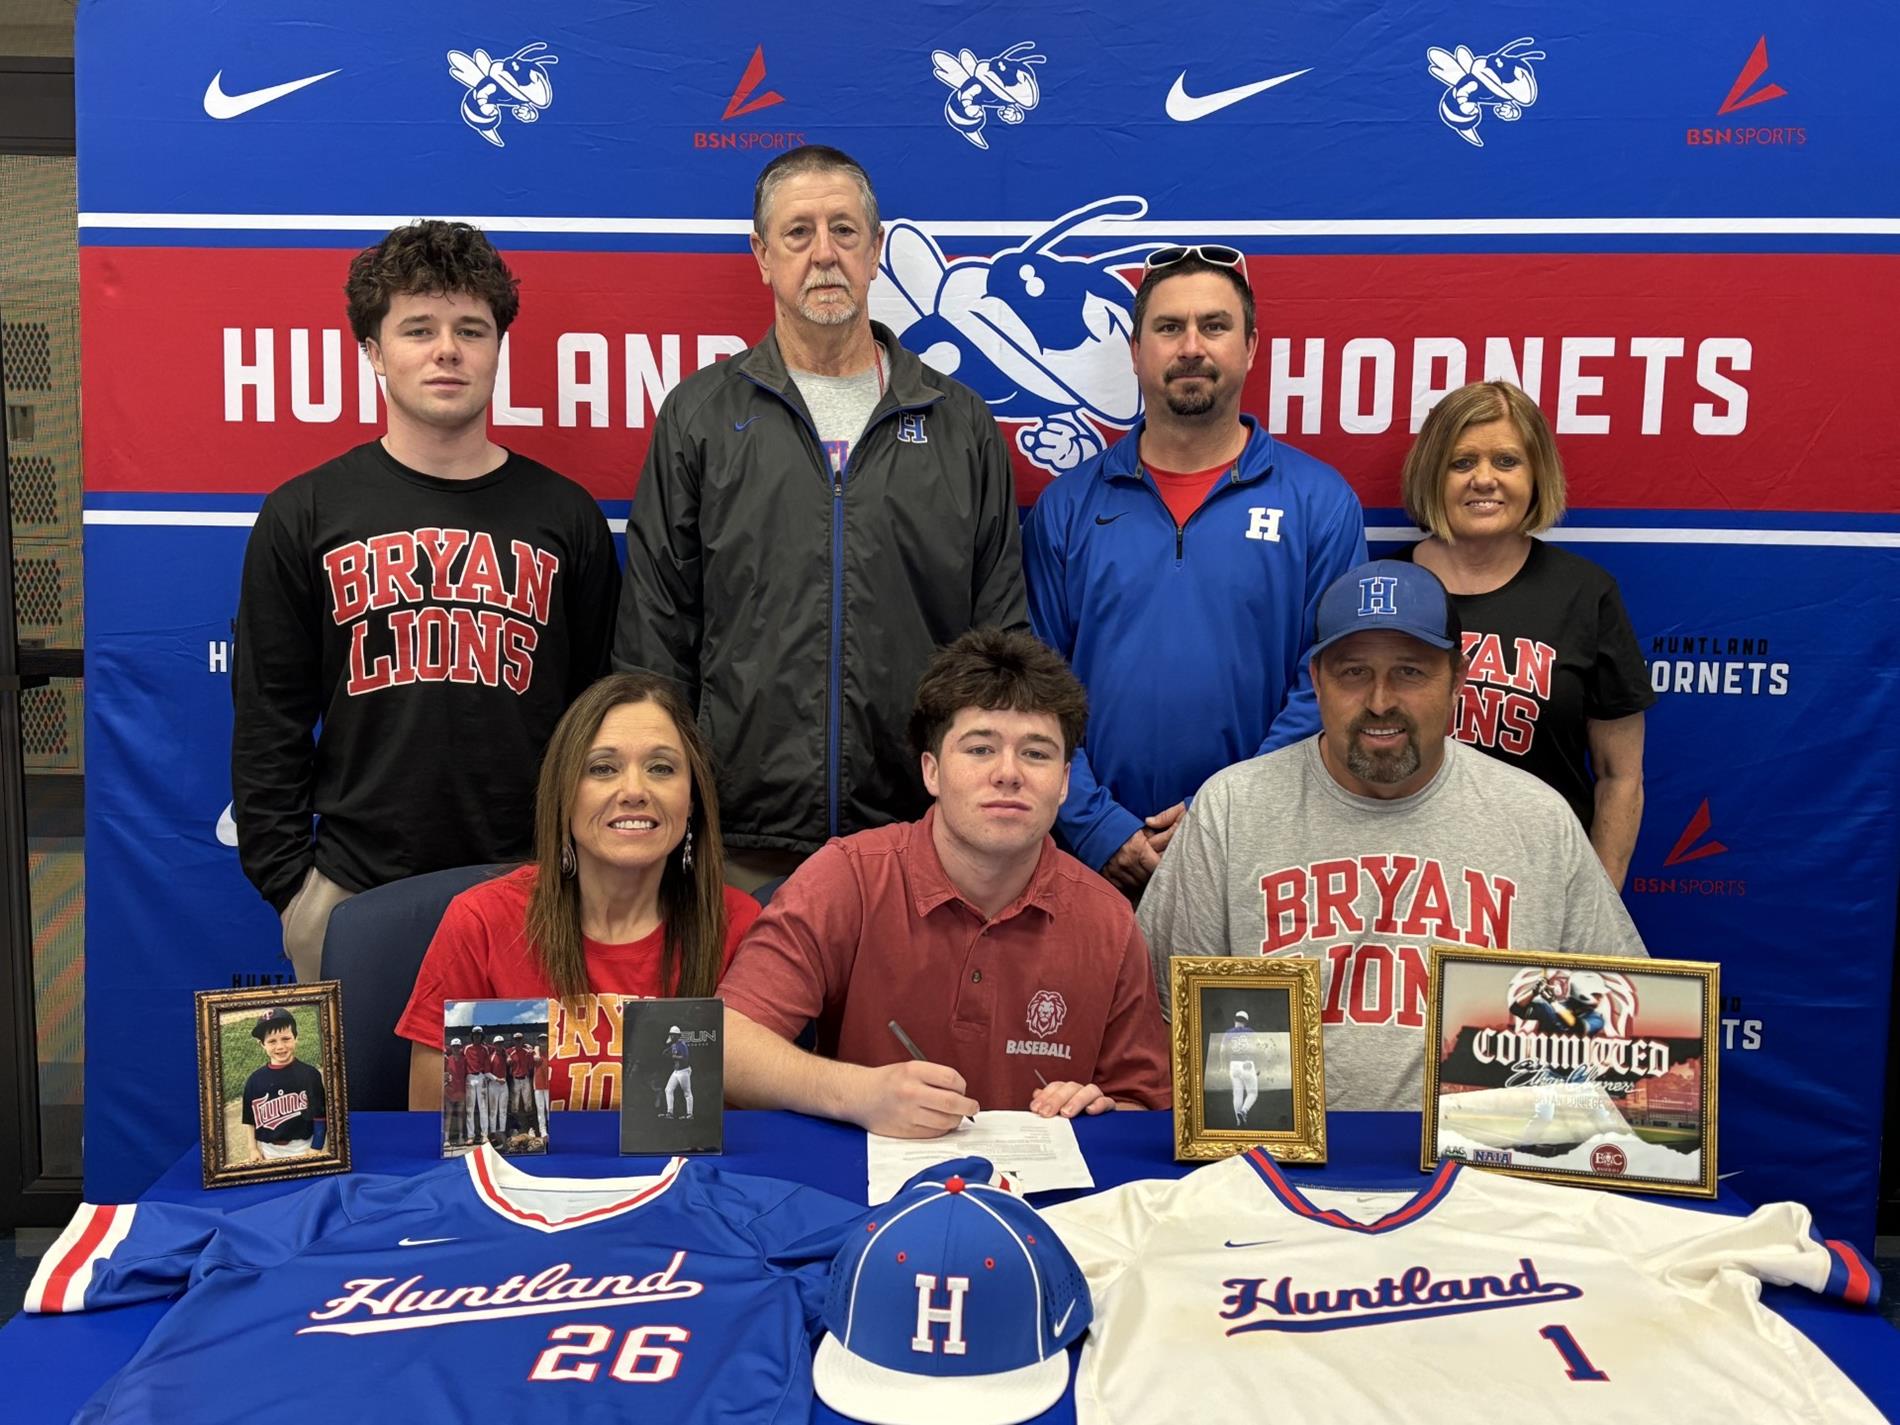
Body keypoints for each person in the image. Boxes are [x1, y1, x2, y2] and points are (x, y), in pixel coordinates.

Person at [614, 145, 1028, 891]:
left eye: (844, 230)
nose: (824, 254)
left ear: (875, 252)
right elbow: (655, 641)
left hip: (918, 840)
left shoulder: (958, 423)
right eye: (799, 233)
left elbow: (998, 645)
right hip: (741, 845)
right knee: (747, 1015)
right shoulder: (702, 417)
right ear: (762, 255)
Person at [232, 220, 620, 980]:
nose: (448, 349)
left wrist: (581, 871)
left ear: (498, 349)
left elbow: (599, 713)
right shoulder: (304, 514)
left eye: (470, 329)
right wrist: (296, 888)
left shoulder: (566, 516)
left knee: (522, 1106)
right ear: (374, 351)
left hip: (530, 891)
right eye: (419, 328)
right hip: (354, 890)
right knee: (359, 1102)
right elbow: (268, 721)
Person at [1138, 560, 1647, 1111]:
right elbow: (1153, 1024)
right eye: (1353, 673)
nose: (1380, 701)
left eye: (1410, 671)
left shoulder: (1537, 818)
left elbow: (1625, 1039)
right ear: (1316, 681)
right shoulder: (1232, 808)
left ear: (1458, 677)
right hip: (1272, 1169)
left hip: (1480, 1174)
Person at [720, 628, 1170, 1138]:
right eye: (980, 749)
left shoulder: (1109, 919)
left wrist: (1099, 1110)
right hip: (865, 1201)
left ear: (1065, 782)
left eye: (1037, 754)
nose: (1008, 773)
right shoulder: (847, 877)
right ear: (931, 772)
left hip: (1043, 1206)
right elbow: (726, 1047)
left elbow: (1145, 1110)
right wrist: (858, 1094)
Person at [1024, 245, 1366, 896]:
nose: (1191, 347)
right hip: (1087, 862)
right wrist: (1097, 825)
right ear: (1134, 350)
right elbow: (1035, 686)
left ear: (1251, 347)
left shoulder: (1319, 502)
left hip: (1262, 862)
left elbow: (1328, 684)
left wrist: (1228, 814)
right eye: (1168, 327)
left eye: (1214, 326)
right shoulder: (1068, 506)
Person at [398, 672, 760, 1111]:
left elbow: (756, 1126)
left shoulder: (741, 926)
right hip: (519, 1179)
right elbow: (433, 1124)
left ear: (693, 799)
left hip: (682, 1179)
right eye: (602, 768)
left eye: (661, 768)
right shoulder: (481, 922)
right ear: (564, 794)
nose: (634, 791)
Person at [1396, 380, 1654, 889]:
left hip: (1541, 881)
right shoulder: (1384, 591)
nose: (1484, 480)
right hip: (1403, 883)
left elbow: (1620, 777)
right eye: (1462, 462)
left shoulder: (1585, 593)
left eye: (1507, 462)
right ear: (1432, 474)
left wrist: (1597, 901)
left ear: (1537, 475)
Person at [237, 1008, 326, 1161]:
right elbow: (250, 1120)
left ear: (295, 1038)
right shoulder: (255, 1080)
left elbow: (320, 1116)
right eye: (272, 1041)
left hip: (303, 1147)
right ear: (262, 1045)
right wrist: (253, 1149)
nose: (280, 1047)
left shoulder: (310, 1075)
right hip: (269, 1150)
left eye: (286, 1039)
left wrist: (316, 1147)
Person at [1217, 1011, 1259, 1128]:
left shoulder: (1228, 1033)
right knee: (1252, 1093)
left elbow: (1222, 1051)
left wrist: (1222, 1066)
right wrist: (1258, 1065)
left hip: (1234, 1065)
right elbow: (1259, 1048)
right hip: (1247, 1064)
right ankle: (1244, 1111)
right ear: (1246, 1022)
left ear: (1234, 1020)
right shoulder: (1250, 1032)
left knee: (1237, 1094)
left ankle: (1239, 1122)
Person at [443, 1036, 469, 1146]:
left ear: (460, 1048)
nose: (456, 1049)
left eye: (457, 1047)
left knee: (460, 1115)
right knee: (448, 1115)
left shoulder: (465, 1060)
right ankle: (446, 1139)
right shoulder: (447, 1059)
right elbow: (443, 1074)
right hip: (449, 1091)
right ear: (451, 1048)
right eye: (454, 1047)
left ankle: (461, 1137)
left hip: (461, 1091)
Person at [662, 1026, 694, 1119]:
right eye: (671, 1035)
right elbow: (664, 1053)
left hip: (684, 1071)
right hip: (676, 1071)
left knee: (687, 1092)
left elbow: (685, 1058)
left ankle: (690, 1114)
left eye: (674, 1035)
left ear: (678, 1036)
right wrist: (667, 1048)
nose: (672, 1037)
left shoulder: (682, 1045)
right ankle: (670, 1113)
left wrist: (673, 1057)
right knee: (668, 1090)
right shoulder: (673, 1045)